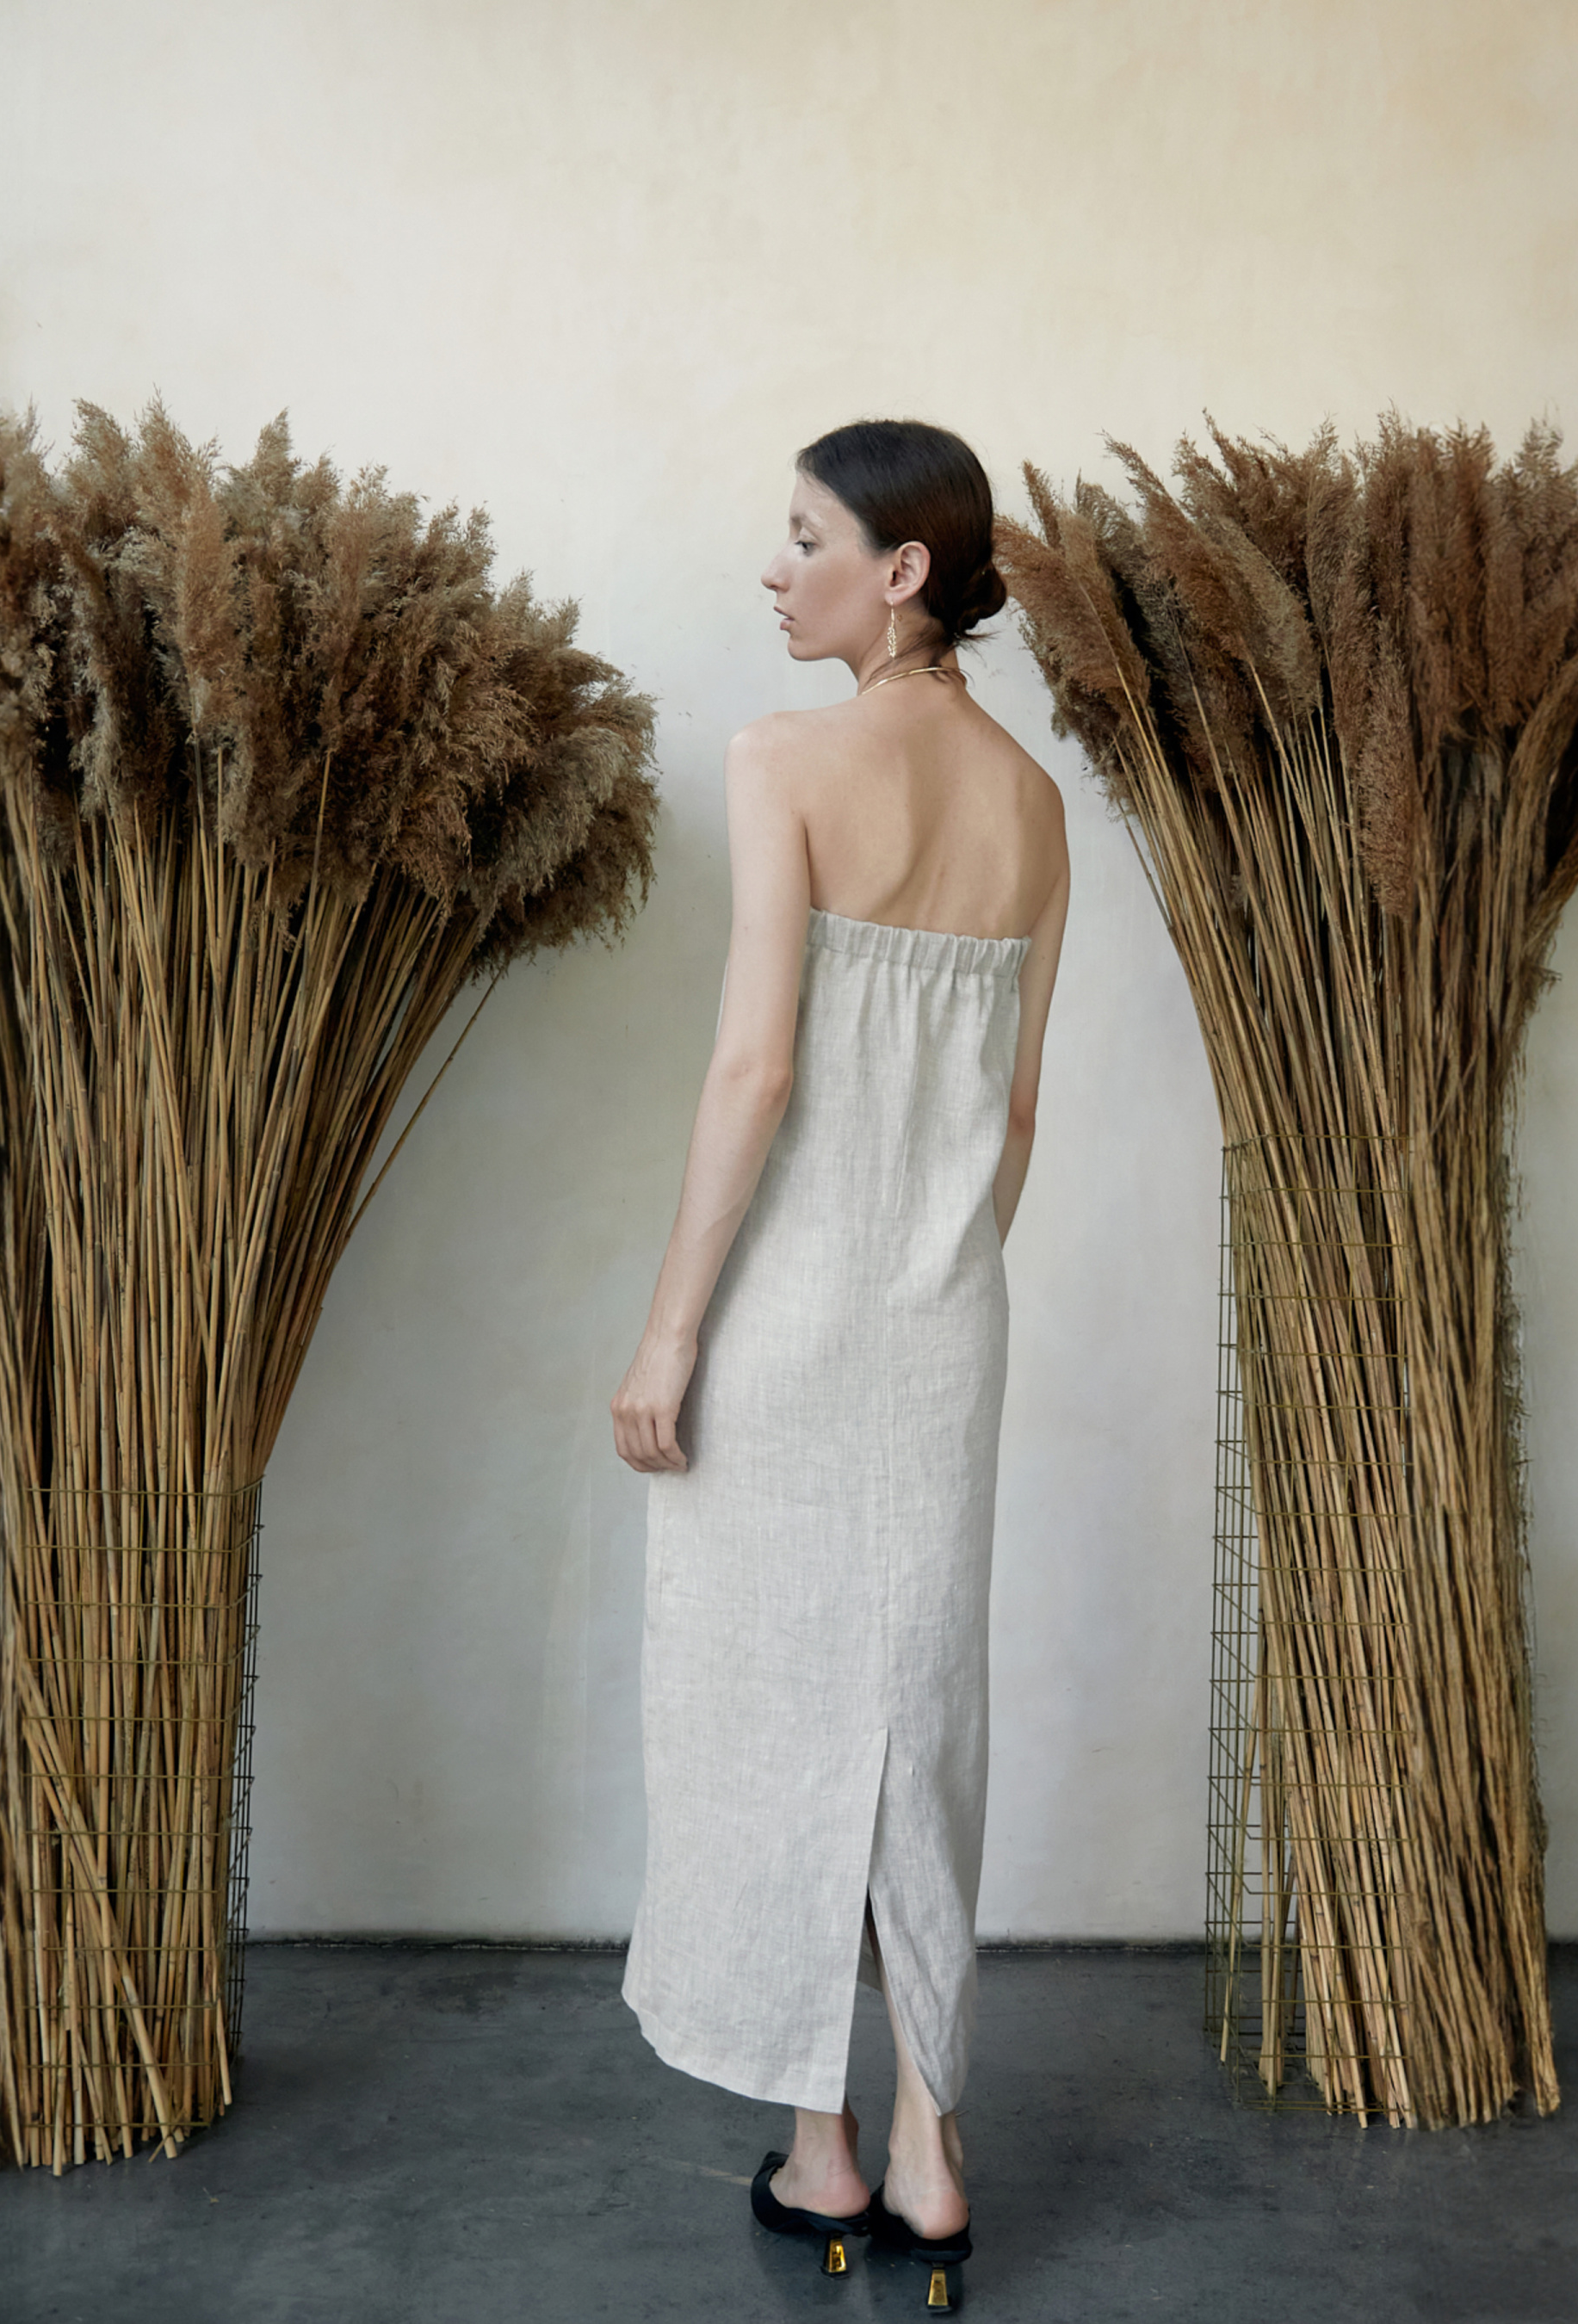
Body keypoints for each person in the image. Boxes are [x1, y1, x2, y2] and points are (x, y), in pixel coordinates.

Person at [611, 418, 1067, 2309]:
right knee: (922, 1714)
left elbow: (756, 1069)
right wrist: (935, 1276)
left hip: (790, 1317)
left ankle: (822, 2145)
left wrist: (672, 1327)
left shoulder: (783, 761)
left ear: (901, 570)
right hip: (947, 1323)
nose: (772, 567)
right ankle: (936, 2153)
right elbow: (1014, 1117)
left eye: (803, 537)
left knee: (773, 1707)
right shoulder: (1033, 806)